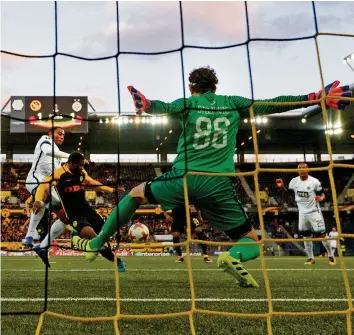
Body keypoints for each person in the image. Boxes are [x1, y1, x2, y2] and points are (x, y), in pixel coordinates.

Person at [72, 67, 351, 288]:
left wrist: (147, 104)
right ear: (215, 87)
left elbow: (162, 107)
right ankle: (232, 256)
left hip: (183, 178)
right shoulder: (232, 103)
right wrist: (313, 98)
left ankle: (97, 243)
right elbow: (271, 104)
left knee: (135, 194)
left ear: (192, 87)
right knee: (253, 242)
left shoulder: (188, 103)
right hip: (218, 184)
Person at [33, 152, 126, 272]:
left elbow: (92, 183)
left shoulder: (81, 173)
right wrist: (37, 200)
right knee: (95, 238)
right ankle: (118, 262)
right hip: (73, 214)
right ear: (71, 163)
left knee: (105, 236)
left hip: (87, 209)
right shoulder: (58, 174)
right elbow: (43, 186)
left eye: (83, 165)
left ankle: (76, 237)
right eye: (80, 165)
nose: (82, 168)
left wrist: (112, 189)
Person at [276, 163, 336, 265]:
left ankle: (331, 255)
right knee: (306, 236)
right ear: (297, 170)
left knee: (322, 235)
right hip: (302, 213)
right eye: (300, 168)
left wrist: (321, 198)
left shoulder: (314, 181)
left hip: (314, 212)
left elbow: (322, 194)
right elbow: (288, 194)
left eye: (304, 168)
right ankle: (311, 258)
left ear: (308, 170)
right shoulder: (294, 181)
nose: (302, 170)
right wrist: (281, 187)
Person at [24, 127, 70, 247]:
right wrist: (72, 156)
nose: (62, 136)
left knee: (66, 217)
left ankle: (43, 245)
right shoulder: (45, 139)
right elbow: (48, 151)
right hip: (35, 179)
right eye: (59, 133)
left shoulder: (58, 155)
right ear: (50, 133)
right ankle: (29, 235)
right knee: (45, 197)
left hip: (48, 185)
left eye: (63, 135)